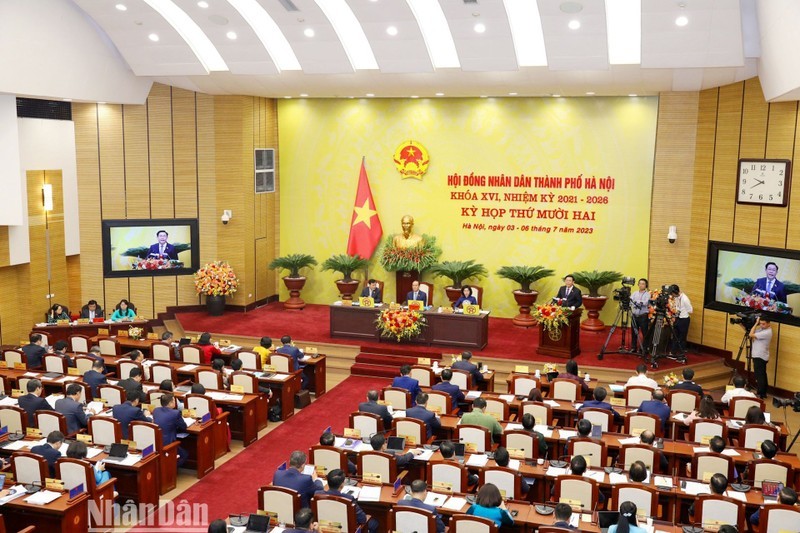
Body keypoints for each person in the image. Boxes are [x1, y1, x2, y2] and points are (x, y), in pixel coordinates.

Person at [152, 393, 188, 468]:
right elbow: (184, 427)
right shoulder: (175, 413)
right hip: (168, 444)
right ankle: (169, 470)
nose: (175, 403)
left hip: (156, 442)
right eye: (174, 401)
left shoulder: (156, 410)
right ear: (170, 403)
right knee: (184, 454)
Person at [749, 317, 773, 399]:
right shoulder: (761, 330)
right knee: (762, 374)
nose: (762, 325)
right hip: (759, 355)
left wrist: (756, 323)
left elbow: (751, 334)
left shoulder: (767, 332)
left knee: (760, 376)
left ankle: (761, 394)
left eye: (764, 324)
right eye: (760, 323)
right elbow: (750, 332)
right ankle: (763, 392)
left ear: (769, 323)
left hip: (760, 356)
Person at [669, 284, 692, 359]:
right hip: (678, 318)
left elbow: (690, 310)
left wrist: (682, 311)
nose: (671, 295)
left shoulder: (685, 299)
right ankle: (673, 352)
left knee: (682, 338)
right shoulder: (676, 298)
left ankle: (681, 355)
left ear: (675, 292)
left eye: (672, 293)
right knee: (675, 336)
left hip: (684, 320)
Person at [631, 279, 650, 350]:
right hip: (634, 316)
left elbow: (645, 303)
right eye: (640, 283)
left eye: (643, 284)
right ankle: (633, 347)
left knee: (644, 333)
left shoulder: (647, 294)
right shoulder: (634, 293)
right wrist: (638, 302)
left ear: (646, 285)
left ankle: (644, 348)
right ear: (638, 284)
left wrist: (636, 301)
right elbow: (630, 301)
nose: (641, 285)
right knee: (634, 333)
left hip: (643, 316)